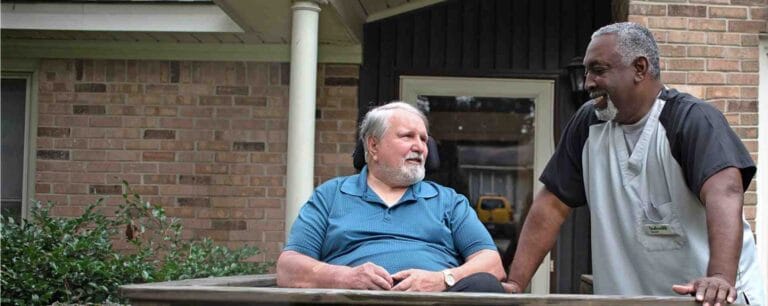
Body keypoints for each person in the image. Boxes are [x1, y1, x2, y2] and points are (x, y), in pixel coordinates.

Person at [504, 22, 765, 306]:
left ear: (640, 68)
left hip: (710, 301)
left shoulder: (691, 120)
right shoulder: (588, 124)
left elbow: (725, 191)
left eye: (599, 70)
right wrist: (515, 284)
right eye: (587, 71)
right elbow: (550, 207)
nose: (588, 81)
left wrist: (719, 277)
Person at [276, 102, 506, 292]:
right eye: (407, 137)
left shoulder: (449, 201)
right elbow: (289, 267)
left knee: (484, 283)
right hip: (354, 301)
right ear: (373, 146)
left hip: (435, 301)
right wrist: (344, 277)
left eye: (424, 140)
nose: (420, 147)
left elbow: (492, 263)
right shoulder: (331, 195)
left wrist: (443, 279)